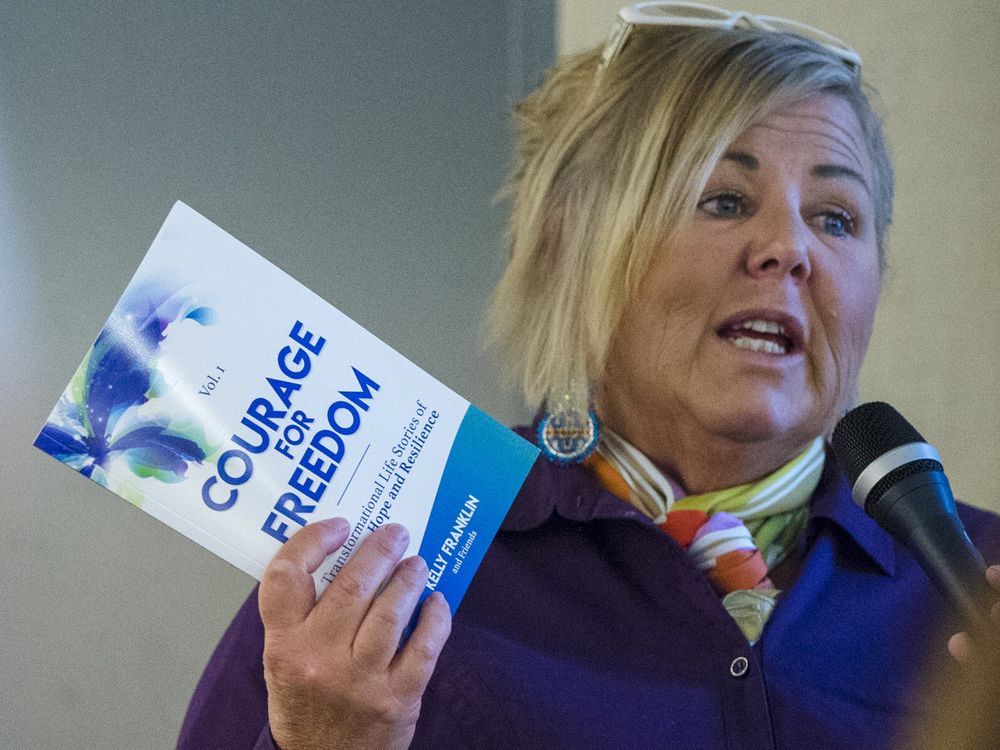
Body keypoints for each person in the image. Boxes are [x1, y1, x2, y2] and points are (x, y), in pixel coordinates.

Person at [178, 4, 1000, 749]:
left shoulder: (978, 587)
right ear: (574, 245)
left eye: (836, 218)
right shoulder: (378, 572)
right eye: (723, 200)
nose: (789, 248)